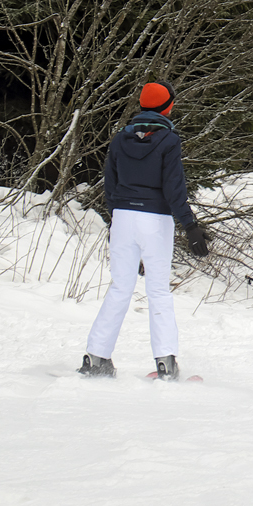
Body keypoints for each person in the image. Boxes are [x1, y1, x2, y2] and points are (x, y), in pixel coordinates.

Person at [78, 81, 209, 380]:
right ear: (168, 107)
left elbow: (109, 184)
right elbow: (174, 188)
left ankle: (96, 358)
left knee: (120, 288)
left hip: (122, 218)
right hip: (154, 220)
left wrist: (119, 215)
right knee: (158, 290)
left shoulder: (119, 139)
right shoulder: (168, 141)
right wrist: (190, 226)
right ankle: (166, 363)